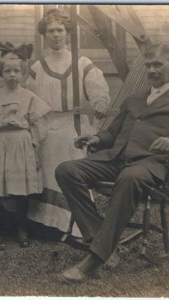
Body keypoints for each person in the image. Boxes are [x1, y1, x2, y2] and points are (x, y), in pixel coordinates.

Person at [54, 42, 169, 283]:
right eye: (148, 65)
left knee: (130, 177)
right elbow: (113, 133)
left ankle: (93, 260)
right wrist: (97, 137)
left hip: (149, 164)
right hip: (115, 158)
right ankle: (102, 240)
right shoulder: (135, 99)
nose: (151, 70)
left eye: (158, 64)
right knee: (66, 170)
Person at [26, 8, 111, 235]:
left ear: (67, 34)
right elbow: (28, 99)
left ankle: (74, 224)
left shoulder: (82, 63)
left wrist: (100, 100)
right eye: (51, 31)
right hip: (46, 126)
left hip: (74, 125)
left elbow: (98, 88)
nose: (55, 35)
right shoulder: (37, 68)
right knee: (46, 164)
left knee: (71, 157)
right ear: (44, 34)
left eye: (60, 30)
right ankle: (46, 225)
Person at [0, 42, 51, 250]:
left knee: (21, 191)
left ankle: (21, 228)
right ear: (1, 73)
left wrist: (34, 148)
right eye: (7, 71)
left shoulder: (29, 97)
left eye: (16, 71)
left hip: (21, 144)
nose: (12, 75)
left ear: (23, 73)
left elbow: (39, 126)